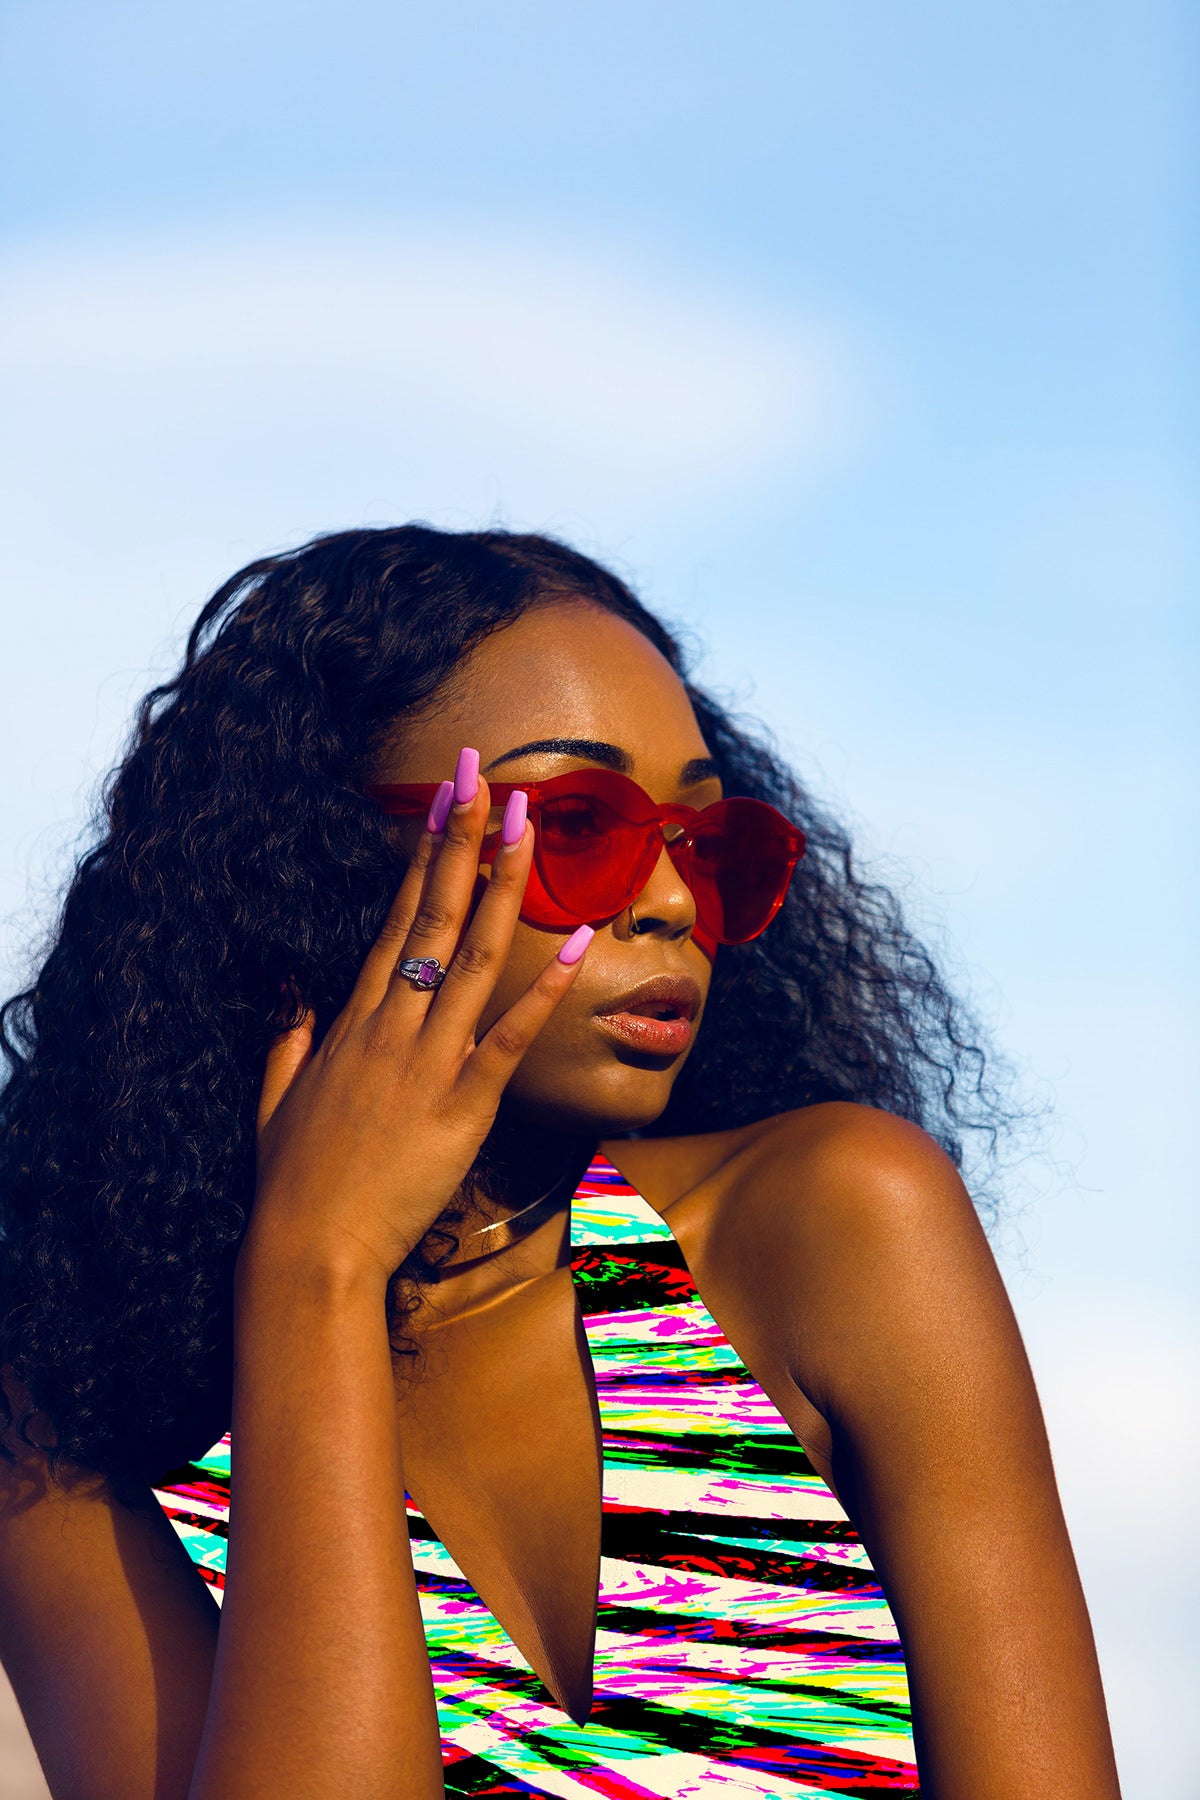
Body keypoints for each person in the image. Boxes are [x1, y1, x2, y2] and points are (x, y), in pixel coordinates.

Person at [0, 526, 1121, 1799]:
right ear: (309, 860)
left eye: (707, 844)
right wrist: (316, 1274)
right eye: (579, 824)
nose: (671, 902)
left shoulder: (834, 1222)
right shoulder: (67, 1408)